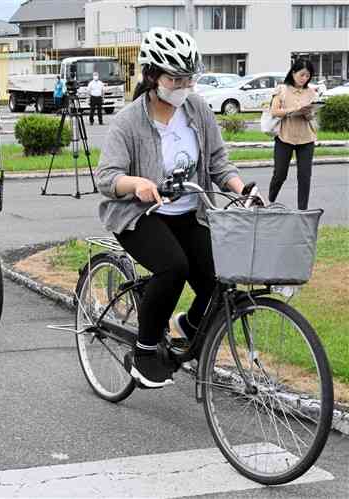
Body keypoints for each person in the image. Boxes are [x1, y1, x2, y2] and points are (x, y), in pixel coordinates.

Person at [95, 27, 251, 388]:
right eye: (174, 78)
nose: (183, 86)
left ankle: (186, 328)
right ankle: (145, 350)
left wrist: (242, 189)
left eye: (188, 78)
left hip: (189, 212)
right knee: (173, 267)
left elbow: (218, 161)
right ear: (152, 76)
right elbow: (107, 177)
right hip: (140, 215)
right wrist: (136, 184)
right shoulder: (128, 121)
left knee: (218, 279)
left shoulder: (196, 109)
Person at [268, 59, 317, 210]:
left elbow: (312, 116)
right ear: (293, 73)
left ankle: (303, 211)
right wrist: (292, 110)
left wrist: (308, 112)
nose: (304, 79)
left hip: (306, 139)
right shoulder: (281, 89)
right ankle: (269, 202)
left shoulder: (311, 92)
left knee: (304, 177)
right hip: (284, 137)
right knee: (280, 174)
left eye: (307, 76)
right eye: (302, 75)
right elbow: (274, 111)